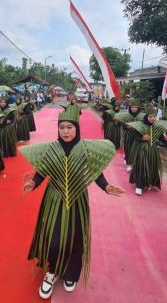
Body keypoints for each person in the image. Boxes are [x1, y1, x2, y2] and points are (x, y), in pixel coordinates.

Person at [21, 109, 123, 300]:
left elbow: (95, 172)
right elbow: (43, 170)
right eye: (61, 128)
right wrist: (34, 182)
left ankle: (71, 273)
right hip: (54, 199)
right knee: (54, 237)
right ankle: (51, 272)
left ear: (76, 128)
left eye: (69, 127)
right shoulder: (51, 148)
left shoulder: (85, 149)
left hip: (77, 199)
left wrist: (106, 186)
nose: (65, 131)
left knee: (75, 237)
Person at [126, 107, 167, 196]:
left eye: (154, 116)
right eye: (150, 116)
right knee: (141, 166)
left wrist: (166, 139)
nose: (152, 118)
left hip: (153, 150)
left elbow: (160, 138)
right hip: (142, 149)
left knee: (152, 165)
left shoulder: (157, 126)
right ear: (146, 116)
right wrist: (142, 138)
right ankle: (139, 186)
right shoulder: (140, 125)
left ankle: (150, 182)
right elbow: (135, 137)